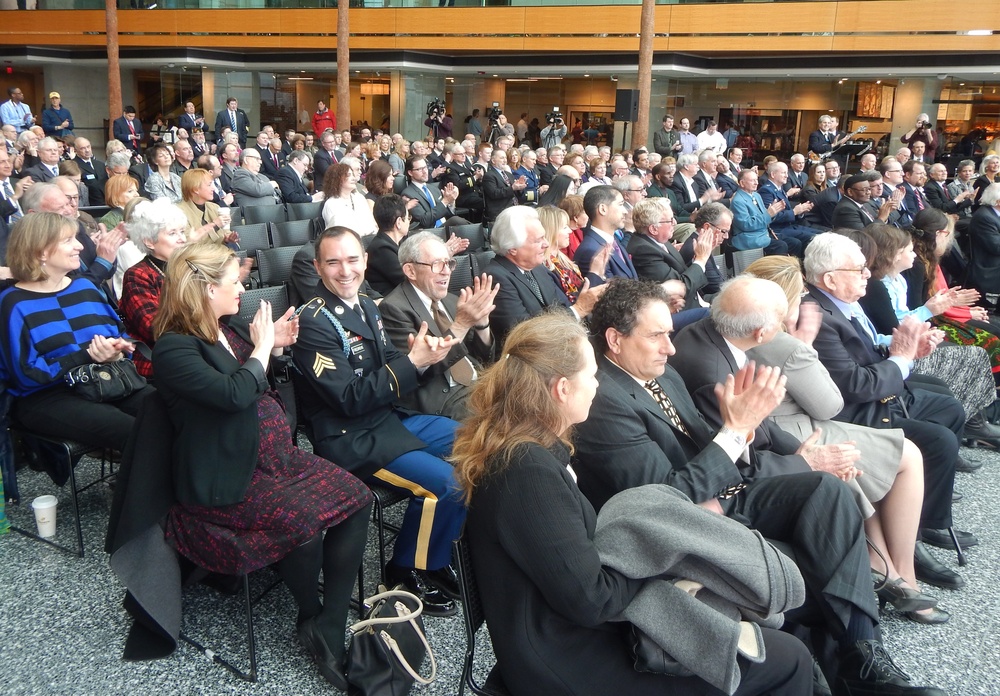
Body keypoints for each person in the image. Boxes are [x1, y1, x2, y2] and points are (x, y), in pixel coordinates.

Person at [573, 279, 946, 696]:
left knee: (827, 490)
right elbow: (665, 499)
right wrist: (736, 429)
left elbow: (706, 441)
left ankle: (861, 652)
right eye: (657, 335)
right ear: (615, 339)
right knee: (821, 553)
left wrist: (743, 431)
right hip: (681, 526)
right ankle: (854, 663)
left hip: (726, 493)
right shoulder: (604, 401)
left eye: (669, 333)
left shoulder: (658, 372)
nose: (670, 347)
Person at [452, 311, 815, 696]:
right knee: (787, 657)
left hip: (569, 632)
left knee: (771, 630)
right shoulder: (526, 470)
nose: (596, 385)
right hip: (564, 660)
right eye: (591, 376)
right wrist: (658, 557)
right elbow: (591, 600)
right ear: (561, 389)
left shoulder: (528, 450)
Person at [152, 242, 372, 691]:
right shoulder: (173, 349)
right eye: (234, 282)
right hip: (227, 477)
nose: (244, 288)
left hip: (277, 459)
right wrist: (263, 347)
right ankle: (311, 613)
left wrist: (268, 351)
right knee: (305, 524)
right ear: (202, 289)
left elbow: (253, 385)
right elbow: (232, 395)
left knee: (359, 498)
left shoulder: (224, 329)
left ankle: (327, 619)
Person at [744, 257, 949, 624]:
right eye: (800, 296)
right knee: (909, 453)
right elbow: (830, 402)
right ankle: (902, 572)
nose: (806, 303)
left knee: (879, 451)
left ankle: (886, 567)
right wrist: (803, 343)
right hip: (798, 431)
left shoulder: (749, 331)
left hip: (780, 427)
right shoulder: (784, 342)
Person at [293, 226, 467, 616]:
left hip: (387, 419)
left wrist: (424, 357)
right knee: (448, 483)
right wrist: (411, 364)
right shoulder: (314, 322)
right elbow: (349, 399)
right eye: (333, 261)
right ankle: (407, 569)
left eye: (353, 259)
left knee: (478, 440)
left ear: (365, 261)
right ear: (318, 267)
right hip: (351, 437)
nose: (345, 270)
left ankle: (438, 549)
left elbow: (393, 368)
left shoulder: (369, 305)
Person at [803, 232, 971, 590]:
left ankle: (924, 520)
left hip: (879, 393)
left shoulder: (842, 299)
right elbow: (856, 386)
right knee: (939, 440)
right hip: (857, 412)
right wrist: (903, 357)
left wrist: (909, 350)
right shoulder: (817, 315)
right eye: (859, 269)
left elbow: (868, 352)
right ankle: (914, 539)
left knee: (948, 407)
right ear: (831, 278)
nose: (868, 274)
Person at [0, 212, 154, 452]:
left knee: (173, 411)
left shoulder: (85, 287)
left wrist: (117, 351)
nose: (80, 246)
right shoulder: (12, 304)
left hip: (106, 379)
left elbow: (121, 332)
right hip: (49, 396)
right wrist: (88, 355)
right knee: (137, 433)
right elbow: (26, 375)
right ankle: (146, 488)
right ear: (41, 251)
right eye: (68, 240)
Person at [854, 222, 999, 445]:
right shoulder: (876, 287)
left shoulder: (897, 280)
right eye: (908, 251)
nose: (914, 255)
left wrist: (934, 311)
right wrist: (930, 311)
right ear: (893, 256)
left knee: (979, 348)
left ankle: (971, 422)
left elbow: (907, 316)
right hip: (892, 352)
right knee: (973, 353)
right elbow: (895, 329)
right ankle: (970, 425)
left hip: (904, 342)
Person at [379, 232, 496, 420]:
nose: (447, 271)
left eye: (448, 263)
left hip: (480, 383)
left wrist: (482, 324)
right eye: (436, 264)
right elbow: (417, 373)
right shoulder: (393, 308)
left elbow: (483, 358)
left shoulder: (451, 299)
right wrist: (461, 324)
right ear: (410, 271)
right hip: (444, 400)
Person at [118, 199, 187, 378]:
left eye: (182, 231)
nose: (182, 239)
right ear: (149, 241)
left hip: (191, 343)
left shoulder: (189, 266)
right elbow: (154, 328)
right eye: (173, 233)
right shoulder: (138, 275)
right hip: (158, 354)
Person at [537, 204, 606, 303]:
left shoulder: (562, 260)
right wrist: (594, 273)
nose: (570, 231)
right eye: (565, 227)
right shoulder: (545, 268)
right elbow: (573, 302)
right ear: (551, 231)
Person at [729, 168, 790, 256]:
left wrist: (773, 212)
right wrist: (768, 214)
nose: (756, 183)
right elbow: (746, 225)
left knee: (794, 243)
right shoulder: (737, 201)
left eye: (756, 179)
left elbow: (766, 216)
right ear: (742, 183)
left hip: (764, 234)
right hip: (750, 238)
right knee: (781, 246)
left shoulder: (756, 195)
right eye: (752, 180)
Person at [175, 168, 233, 245]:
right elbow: (187, 242)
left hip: (219, 254)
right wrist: (214, 225)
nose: (213, 188)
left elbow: (225, 234)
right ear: (195, 189)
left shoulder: (215, 207)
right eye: (209, 185)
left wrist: (227, 239)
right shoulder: (178, 212)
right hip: (197, 256)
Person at [321, 162, 377, 236]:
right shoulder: (331, 204)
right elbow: (340, 232)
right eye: (348, 175)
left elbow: (371, 223)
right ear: (337, 179)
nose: (353, 178)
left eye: (353, 175)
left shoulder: (359, 197)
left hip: (368, 240)